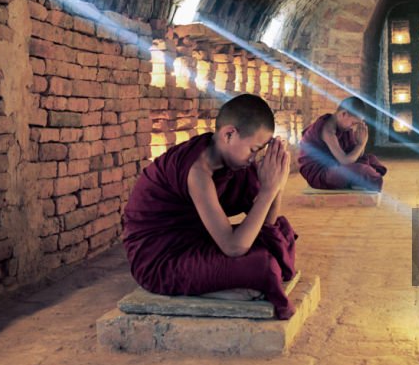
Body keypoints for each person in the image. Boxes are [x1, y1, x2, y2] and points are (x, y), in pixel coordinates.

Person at [122, 94, 297, 320]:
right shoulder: (197, 171)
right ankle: (229, 287)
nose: (254, 158)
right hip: (161, 258)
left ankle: (229, 284)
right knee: (262, 265)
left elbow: (267, 225)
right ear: (229, 134)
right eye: (253, 149)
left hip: (199, 239)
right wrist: (268, 191)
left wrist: (277, 187)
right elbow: (234, 248)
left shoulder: (234, 162)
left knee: (282, 233)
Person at [298, 96, 387, 192]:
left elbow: (356, 155)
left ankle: (355, 180)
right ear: (343, 114)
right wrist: (360, 144)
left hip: (336, 164)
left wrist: (360, 142)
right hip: (321, 173)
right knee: (361, 170)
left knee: (371, 159)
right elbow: (345, 161)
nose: (353, 127)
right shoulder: (328, 130)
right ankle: (356, 180)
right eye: (353, 123)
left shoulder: (343, 127)